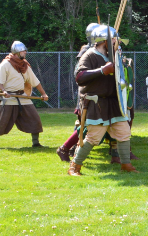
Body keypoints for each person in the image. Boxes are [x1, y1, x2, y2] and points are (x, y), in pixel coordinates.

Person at [68, 25, 138, 176]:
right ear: (103, 41)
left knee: (124, 132)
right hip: (97, 103)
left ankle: (126, 164)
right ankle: (74, 166)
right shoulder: (90, 55)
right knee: (94, 137)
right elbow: (79, 77)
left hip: (113, 103)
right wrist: (102, 70)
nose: (116, 42)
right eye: (113, 40)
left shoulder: (114, 55)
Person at [0, 41, 49, 148]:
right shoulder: (5, 64)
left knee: (34, 118)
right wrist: (4, 91)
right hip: (9, 98)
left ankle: (36, 143)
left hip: (22, 96)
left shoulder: (24, 65)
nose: (25, 53)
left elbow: (35, 81)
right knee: (1, 122)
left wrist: (43, 94)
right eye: (23, 51)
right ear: (17, 53)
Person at [56, 23, 100, 162]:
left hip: (97, 92)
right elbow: (82, 72)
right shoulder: (86, 50)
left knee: (91, 124)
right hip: (88, 92)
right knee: (86, 123)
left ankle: (71, 148)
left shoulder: (98, 50)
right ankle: (66, 148)